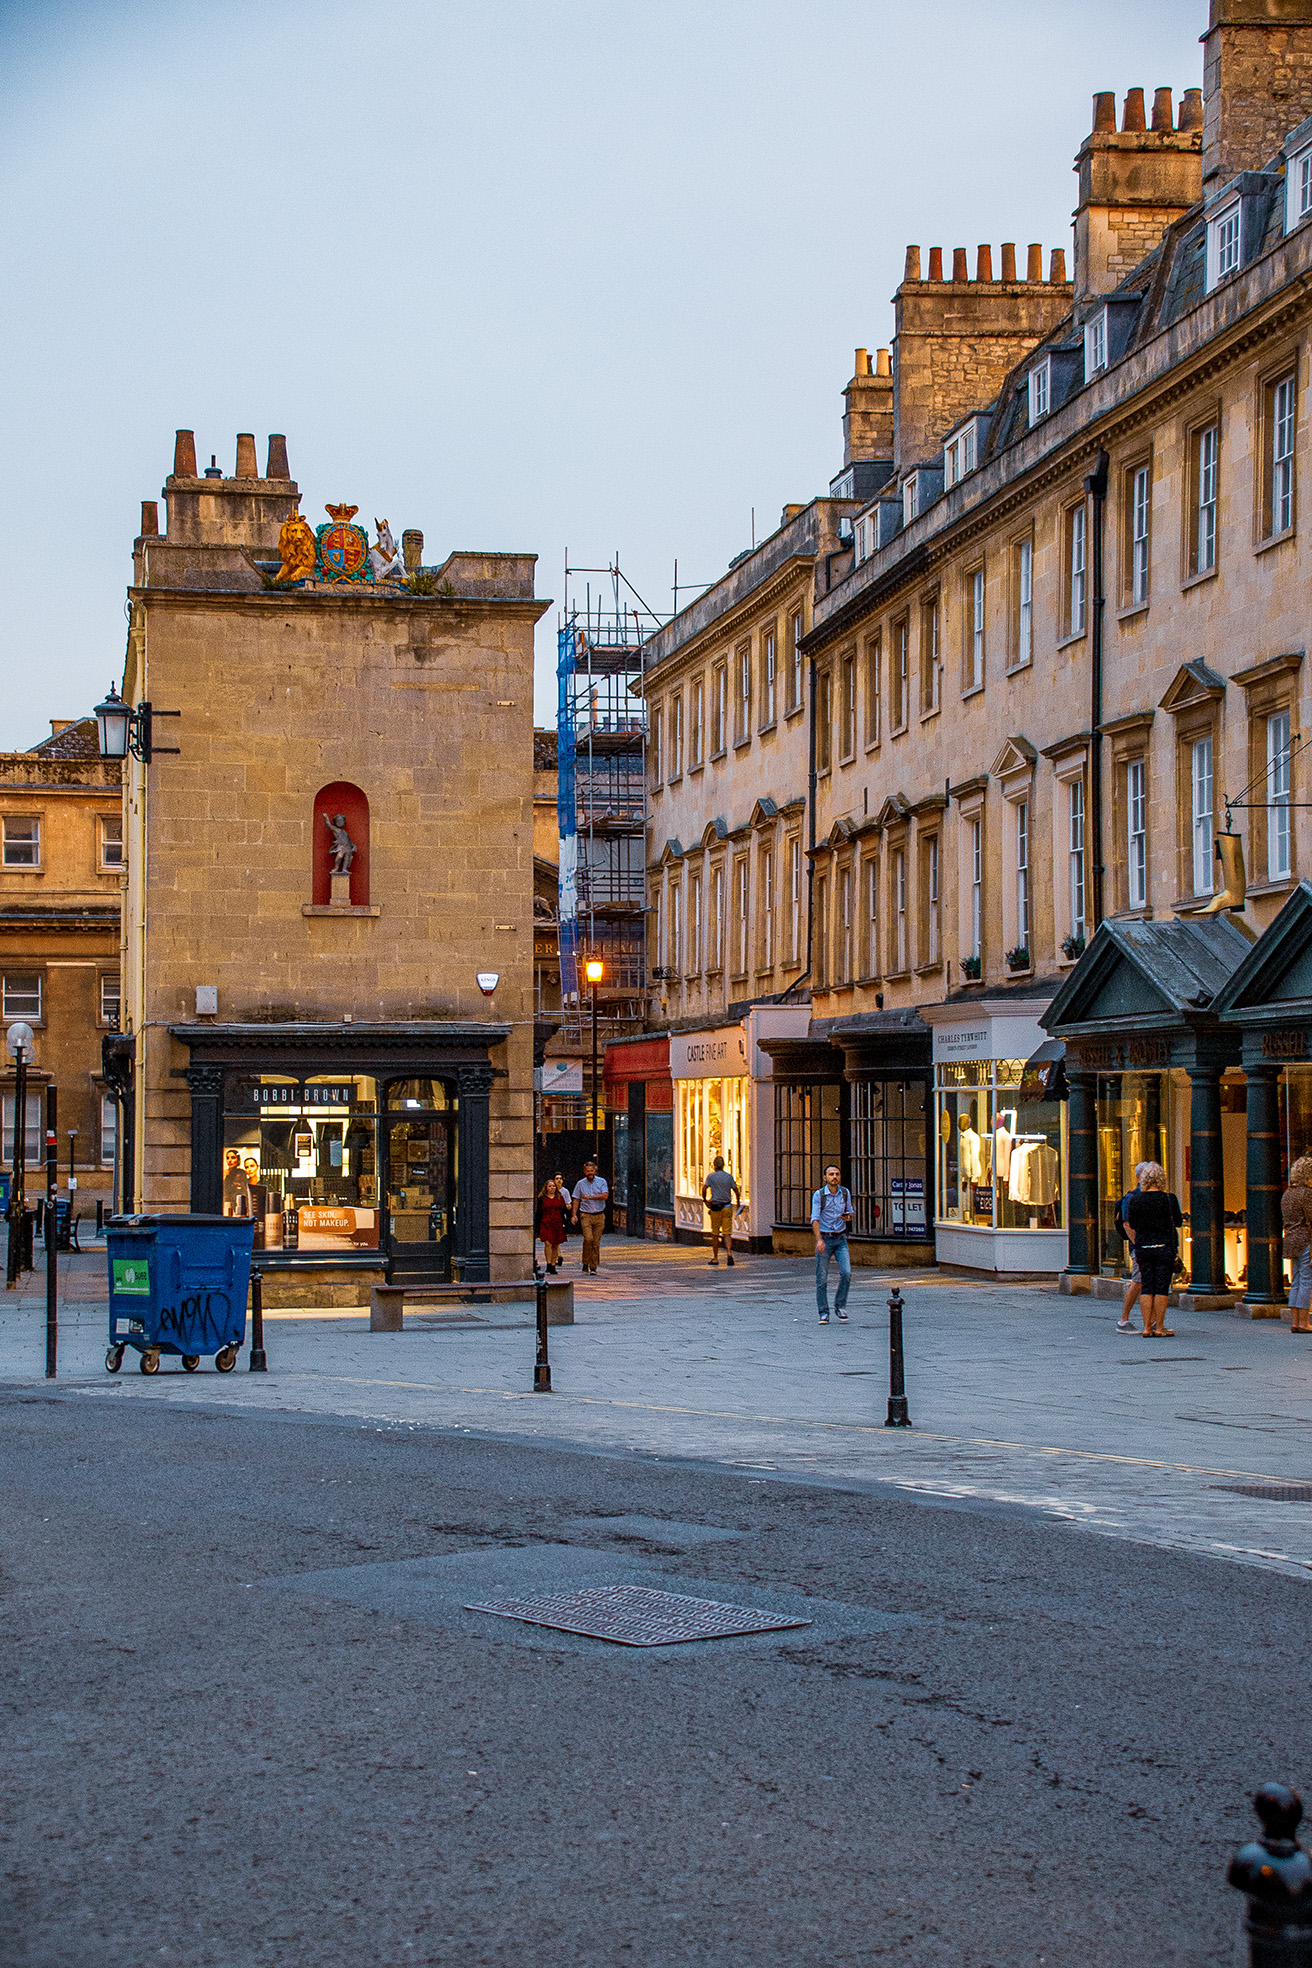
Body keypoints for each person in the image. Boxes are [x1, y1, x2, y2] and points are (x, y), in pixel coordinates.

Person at [1123, 1162, 1183, 1338]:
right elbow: (1178, 1222)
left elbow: (1132, 1224)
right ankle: (1160, 1327)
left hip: (1143, 1248)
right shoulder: (1168, 1199)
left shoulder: (1136, 1200)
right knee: (1161, 1288)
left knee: (1147, 1287)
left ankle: (1147, 1327)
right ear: (1161, 1179)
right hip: (1164, 1247)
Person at [811, 1164, 855, 1325]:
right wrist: (819, 1240)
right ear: (825, 1178)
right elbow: (815, 1219)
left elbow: (850, 1211)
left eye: (836, 1174)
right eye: (831, 1174)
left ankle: (840, 1306)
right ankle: (823, 1312)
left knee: (847, 1273)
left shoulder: (844, 1192)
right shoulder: (819, 1195)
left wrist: (848, 1217)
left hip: (840, 1238)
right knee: (822, 1278)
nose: (834, 1177)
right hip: (825, 1238)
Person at [1113, 1162, 1150, 1332]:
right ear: (1138, 1176)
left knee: (1147, 1283)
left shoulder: (1151, 1196)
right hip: (1139, 1246)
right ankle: (1123, 1319)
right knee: (1138, 1282)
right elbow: (1127, 1225)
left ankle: (1153, 1321)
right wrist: (1138, 1245)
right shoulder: (1131, 1197)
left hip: (1149, 1244)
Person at [1281, 1155, 1312, 1334]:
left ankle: (1295, 1321)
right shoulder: (1306, 1193)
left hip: (1291, 1239)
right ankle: (1304, 1322)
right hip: (1305, 1239)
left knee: (1297, 1281)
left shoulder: (1288, 1193)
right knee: (1307, 1281)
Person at [700, 1155, 741, 1267]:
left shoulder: (711, 1177)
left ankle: (715, 1258)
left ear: (714, 1165)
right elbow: (736, 1190)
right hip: (727, 1206)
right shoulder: (728, 1177)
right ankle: (729, 1253)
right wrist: (738, 1203)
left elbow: (704, 1188)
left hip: (716, 1207)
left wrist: (705, 1200)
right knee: (727, 1233)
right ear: (723, 1165)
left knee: (715, 1233)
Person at [571, 1159, 609, 1274]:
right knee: (588, 1239)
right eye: (588, 1171)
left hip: (599, 1215)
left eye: (592, 1171)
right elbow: (576, 1199)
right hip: (586, 1215)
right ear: (584, 1172)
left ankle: (593, 1267)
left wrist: (591, 1197)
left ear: (595, 1171)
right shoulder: (580, 1184)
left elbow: (605, 1196)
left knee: (596, 1242)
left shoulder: (602, 1182)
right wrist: (574, 1215)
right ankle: (585, 1263)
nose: (590, 1173)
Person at [535, 1174, 569, 1276]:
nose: (552, 1187)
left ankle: (554, 1264)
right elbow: (539, 1213)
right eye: (550, 1186)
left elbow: (563, 1211)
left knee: (555, 1244)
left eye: (553, 1186)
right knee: (548, 1243)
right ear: (546, 1188)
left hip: (557, 1223)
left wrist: (565, 1224)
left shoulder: (559, 1198)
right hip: (546, 1222)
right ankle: (548, 1263)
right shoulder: (542, 1199)